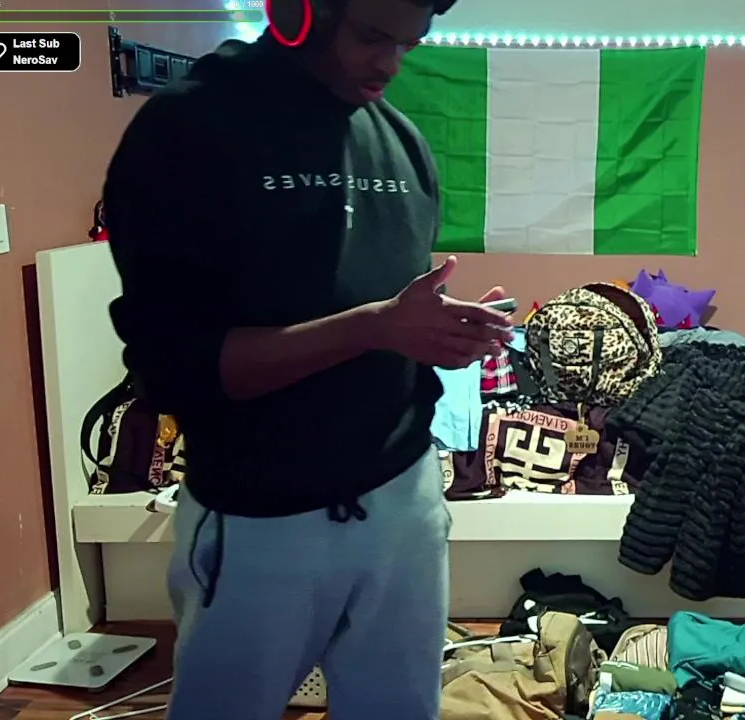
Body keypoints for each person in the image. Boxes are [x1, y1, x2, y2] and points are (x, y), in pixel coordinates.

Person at [102, 0, 508, 717]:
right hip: (260, 516)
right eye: (372, 36)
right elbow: (175, 366)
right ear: (300, 10)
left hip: (405, 499)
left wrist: (438, 334)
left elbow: (386, 308)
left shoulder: (401, 140)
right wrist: (373, 328)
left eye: (410, 43)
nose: (390, 63)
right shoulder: (188, 128)